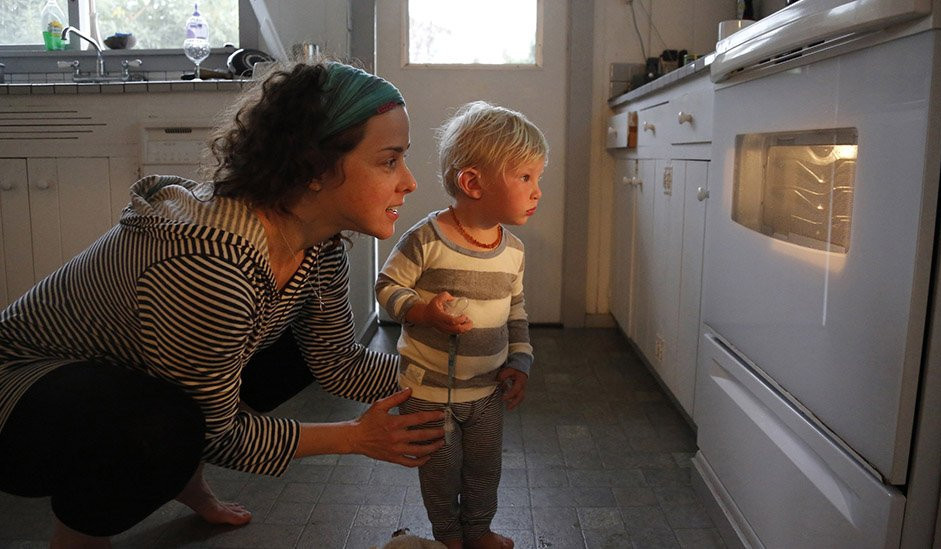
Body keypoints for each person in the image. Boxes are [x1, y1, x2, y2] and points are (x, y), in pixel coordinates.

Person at [0, 60, 447, 547]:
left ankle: (183, 482)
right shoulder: (211, 264)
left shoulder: (317, 245)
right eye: (389, 160)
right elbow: (218, 432)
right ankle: (79, 536)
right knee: (163, 429)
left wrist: (455, 376)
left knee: (292, 355)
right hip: (21, 395)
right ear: (315, 168)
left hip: (126, 375)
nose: (410, 181)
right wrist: (356, 437)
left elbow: (337, 362)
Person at [376, 101, 548, 549]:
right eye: (525, 177)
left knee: (484, 468)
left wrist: (520, 360)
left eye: (538, 178)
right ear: (473, 182)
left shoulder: (513, 251)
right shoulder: (425, 240)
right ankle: (449, 537)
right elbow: (387, 287)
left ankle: (478, 531)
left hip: (486, 391)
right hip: (428, 391)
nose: (537, 191)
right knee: (439, 469)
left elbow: (516, 311)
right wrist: (423, 312)